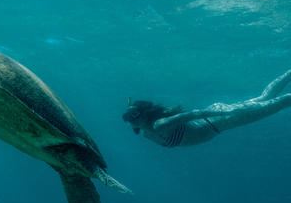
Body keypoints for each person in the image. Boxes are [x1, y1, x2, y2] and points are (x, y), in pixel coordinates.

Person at [122, 70, 291, 147]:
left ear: (144, 114)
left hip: (220, 119)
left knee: (277, 103)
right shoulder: (146, 132)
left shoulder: (159, 124)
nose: (130, 119)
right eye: (128, 116)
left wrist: (227, 112)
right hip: (216, 119)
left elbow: (192, 115)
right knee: (264, 99)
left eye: (133, 115)